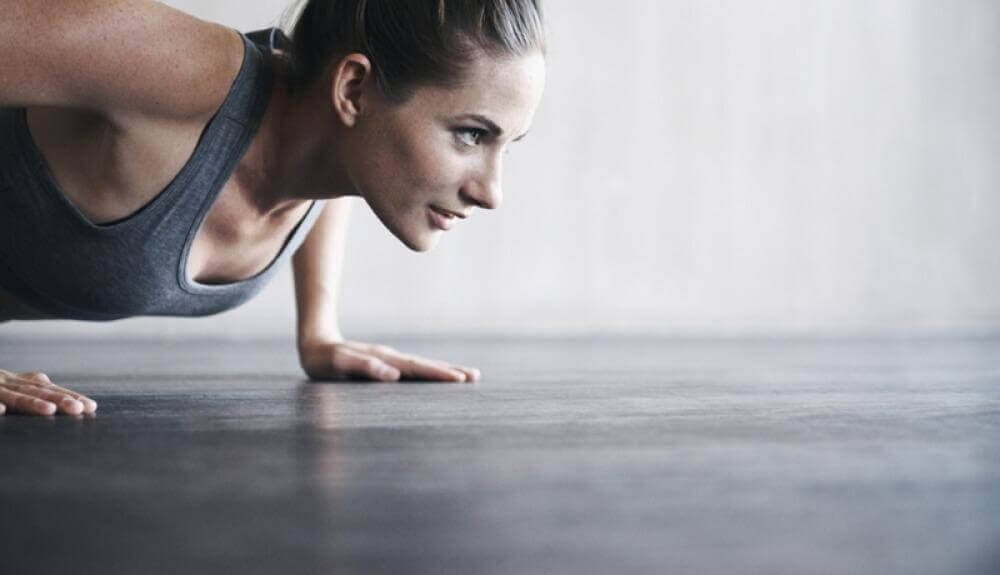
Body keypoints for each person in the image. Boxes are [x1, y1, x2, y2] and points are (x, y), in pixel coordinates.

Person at [0, 0, 547, 416]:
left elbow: (334, 170)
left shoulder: (326, 149)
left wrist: (319, 332)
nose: (490, 192)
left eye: (507, 145)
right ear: (353, 90)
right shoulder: (185, 72)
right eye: (472, 134)